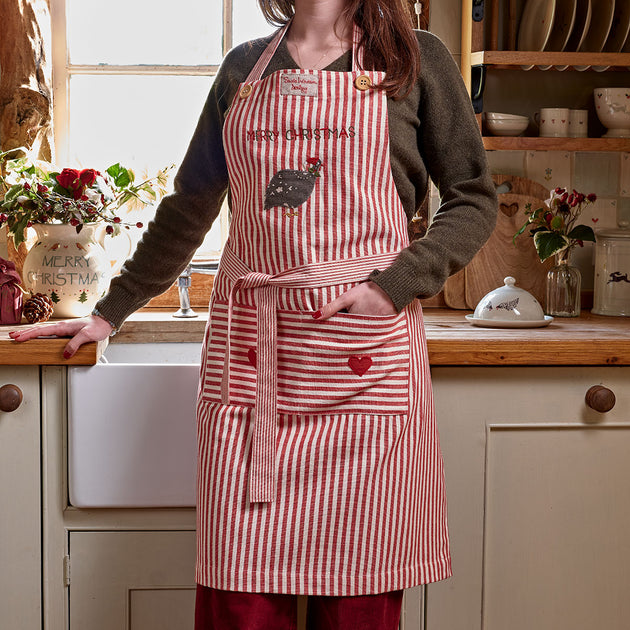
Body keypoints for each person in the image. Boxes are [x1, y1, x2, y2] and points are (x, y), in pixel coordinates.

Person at [11, 0, 497, 627]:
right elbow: (191, 204)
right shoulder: (244, 68)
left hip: (362, 359)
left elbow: (473, 199)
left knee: (359, 596)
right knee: (239, 595)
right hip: (252, 362)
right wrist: (110, 311)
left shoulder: (416, 59)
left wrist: (395, 285)